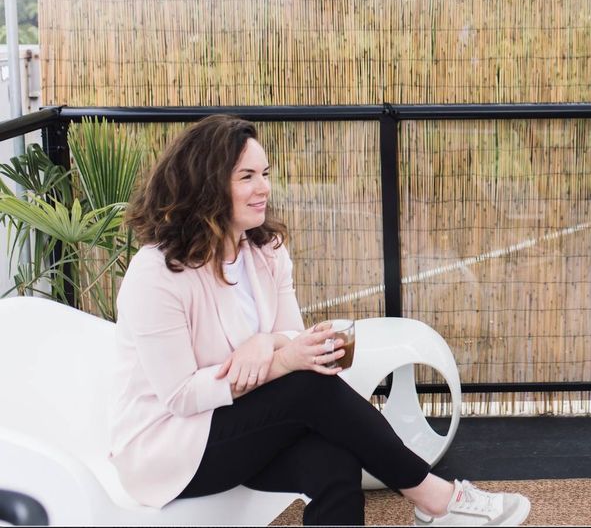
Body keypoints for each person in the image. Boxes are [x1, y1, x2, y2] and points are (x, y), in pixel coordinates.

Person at [110, 115, 531, 526]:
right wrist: (280, 361)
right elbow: (181, 396)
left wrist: (267, 344)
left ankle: (434, 503)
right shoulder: (158, 274)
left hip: (242, 426)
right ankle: (435, 498)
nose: (263, 189)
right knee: (307, 386)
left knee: (334, 463)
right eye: (246, 177)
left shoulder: (266, 251)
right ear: (206, 186)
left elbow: (292, 333)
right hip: (171, 449)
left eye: (265, 173)